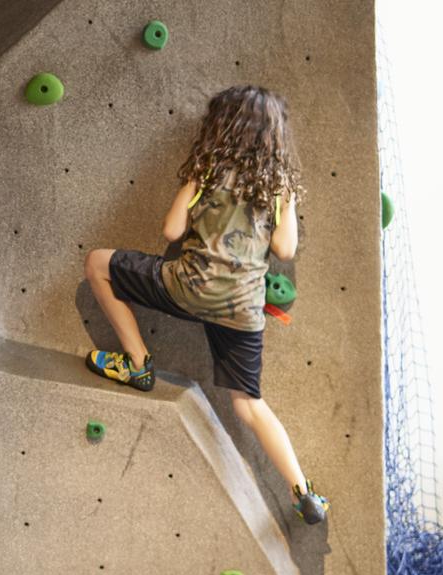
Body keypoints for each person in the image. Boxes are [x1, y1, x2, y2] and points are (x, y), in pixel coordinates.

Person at [81, 85, 330, 525]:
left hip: (187, 288)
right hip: (242, 312)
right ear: (275, 137)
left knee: (98, 263)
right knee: (248, 405)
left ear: (222, 125)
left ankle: (138, 363)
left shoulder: (209, 169)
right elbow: (286, 248)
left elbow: (172, 229)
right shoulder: (279, 188)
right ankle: (304, 492)